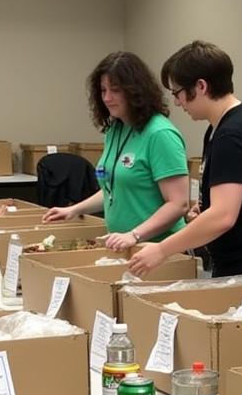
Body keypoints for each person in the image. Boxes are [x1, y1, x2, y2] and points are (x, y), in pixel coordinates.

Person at [127, 40, 242, 280]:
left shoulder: (232, 134)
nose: (177, 102)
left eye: (178, 93)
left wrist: (162, 250)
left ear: (201, 86)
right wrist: (206, 209)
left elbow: (223, 216)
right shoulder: (229, 125)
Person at [42, 51, 189, 250]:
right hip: (125, 247)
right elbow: (113, 189)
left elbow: (178, 204)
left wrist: (135, 235)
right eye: (103, 90)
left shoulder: (160, 134)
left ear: (135, 91)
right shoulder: (116, 130)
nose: (107, 98)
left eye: (115, 90)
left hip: (160, 249)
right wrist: (74, 210)